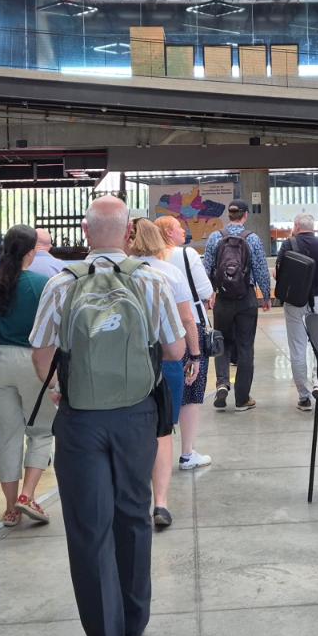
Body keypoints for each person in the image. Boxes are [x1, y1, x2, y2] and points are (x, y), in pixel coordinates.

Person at [30, 195, 185, 636]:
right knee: (133, 514)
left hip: (81, 418)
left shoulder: (61, 282)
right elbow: (176, 350)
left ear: (85, 231)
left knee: (88, 526)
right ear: (128, 233)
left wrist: (57, 389)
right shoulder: (152, 279)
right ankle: (134, 623)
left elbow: (41, 353)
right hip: (136, 415)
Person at [0, 225, 54, 527]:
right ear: (32, 251)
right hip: (34, 361)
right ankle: (27, 495)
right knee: (41, 431)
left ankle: (9, 509)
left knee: (6, 437)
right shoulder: (42, 284)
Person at [126, 218, 202, 531]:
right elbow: (187, 319)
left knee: (131, 428)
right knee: (162, 430)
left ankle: (133, 496)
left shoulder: (122, 273)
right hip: (167, 357)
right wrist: (194, 354)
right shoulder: (169, 273)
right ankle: (160, 502)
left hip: (127, 360)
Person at [202, 199, 271, 412]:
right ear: (245, 215)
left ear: (229, 215)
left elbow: (207, 268)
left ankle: (222, 384)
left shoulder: (215, 237)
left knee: (222, 342)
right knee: (245, 346)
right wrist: (266, 295)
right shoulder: (253, 239)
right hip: (246, 299)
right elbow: (261, 269)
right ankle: (242, 398)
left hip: (222, 299)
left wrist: (208, 295)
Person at [158, 215, 212, 471]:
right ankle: (187, 453)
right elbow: (205, 291)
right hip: (190, 327)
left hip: (159, 331)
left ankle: (157, 452)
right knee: (192, 391)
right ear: (169, 232)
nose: (183, 231)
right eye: (179, 228)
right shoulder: (186, 255)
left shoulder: (147, 260)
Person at [277, 213, 318, 411]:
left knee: (298, 348)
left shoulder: (288, 244)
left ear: (296, 226)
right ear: (313, 227)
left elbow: (278, 273)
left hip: (295, 302)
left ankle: (304, 396)